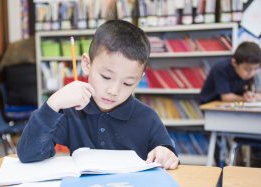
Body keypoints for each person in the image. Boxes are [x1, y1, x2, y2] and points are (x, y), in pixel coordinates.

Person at [17, 20, 179, 170]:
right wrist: (53, 104)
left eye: (127, 83)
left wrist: (165, 154)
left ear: (139, 79)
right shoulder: (71, 112)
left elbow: (168, 157)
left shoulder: (148, 118)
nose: (114, 90)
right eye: (106, 77)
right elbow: (28, 154)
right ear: (87, 65)